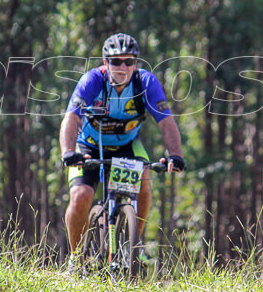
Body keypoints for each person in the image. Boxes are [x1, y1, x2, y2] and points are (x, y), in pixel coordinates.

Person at [59, 33, 185, 273]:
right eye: (116, 61)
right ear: (105, 63)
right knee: (81, 196)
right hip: (88, 145)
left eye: (129, 61)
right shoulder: (92, 81)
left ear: (136, 63)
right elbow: (71, 117)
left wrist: (175, 155)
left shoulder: (146, 83)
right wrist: (68, 151)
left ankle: (133, 244)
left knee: (144, 179)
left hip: (127, 145)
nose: (123, 66)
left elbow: (166, 122)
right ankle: (76, 259)